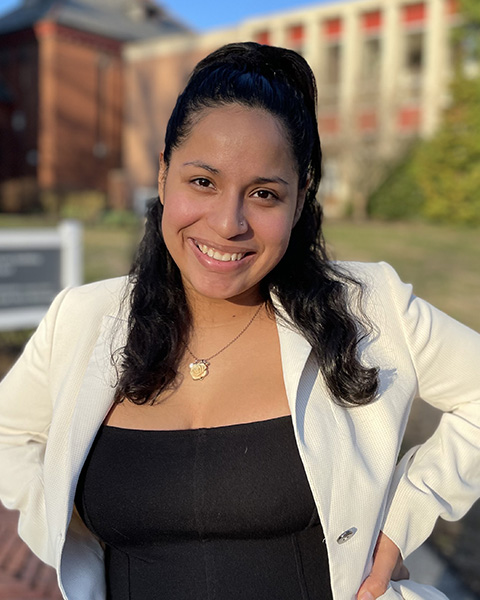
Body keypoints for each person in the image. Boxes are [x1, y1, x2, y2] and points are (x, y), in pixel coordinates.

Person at [0, 42, 479, 600]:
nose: (229, 223)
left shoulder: (369, 310)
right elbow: (9, 433)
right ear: (162, 176)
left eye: (264, 194)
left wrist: (404, 515)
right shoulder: (81, 321)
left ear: (299, 202)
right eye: (203, 181)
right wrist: (58, 520)